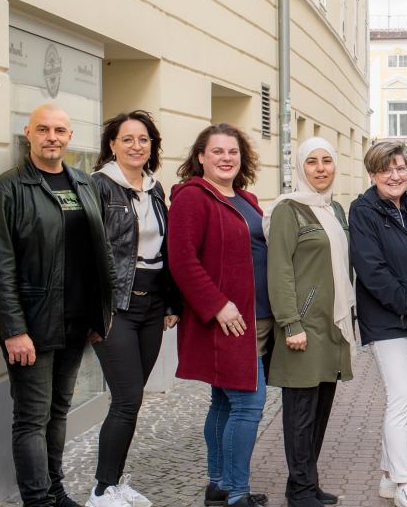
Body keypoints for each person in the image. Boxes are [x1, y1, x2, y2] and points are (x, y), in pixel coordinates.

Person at [0, 103, 114, 507]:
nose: (52, 137)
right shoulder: (6, 190)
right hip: (32, 327)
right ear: (29, 134)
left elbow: (99, 254)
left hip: (74, 323)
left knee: (58, 411)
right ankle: (37, 500)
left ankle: (55, 491)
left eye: (59, 130)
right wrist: (14, 330)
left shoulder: (84, 185)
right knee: (32, 418)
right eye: (43, 129)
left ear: (71, 137)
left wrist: (98, 314)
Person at [168, 124, 269, 507]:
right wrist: (217, 305)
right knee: (248, 404)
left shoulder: (245, 198)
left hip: (252, 319)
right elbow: (181, 260)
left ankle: (219, 485)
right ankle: (236, 492)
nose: (226, 158)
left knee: (224, 403)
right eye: (217, 151)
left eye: (233, 152)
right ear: (201, 157)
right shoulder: (193, 198)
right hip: (225, 320)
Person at [85, 111, 182, 507]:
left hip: (152, 303)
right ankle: (101, 490)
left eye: (143, 140)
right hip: (115, 306)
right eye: (127, 139)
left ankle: (114, 483)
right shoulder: (98, 187)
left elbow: (167, 249)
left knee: (132, 397)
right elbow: (83, 253)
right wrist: (93, 311)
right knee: (127, 399)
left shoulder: (156, 190)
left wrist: (171, 302)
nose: (136, 146)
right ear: (112, 144)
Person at [349, 141, 407, 507]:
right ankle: (405, 481)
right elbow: (371, 269)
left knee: (406, 396)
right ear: (373, 174)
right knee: (401, 396)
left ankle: (390, 477)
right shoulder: (364, 210)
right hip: (388, 317)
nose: (395, 175)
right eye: (386, 169)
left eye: (400, 167)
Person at [266, 137, 354, 507]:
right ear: (301, 167)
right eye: (312, 162)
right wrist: (290, 322)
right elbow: (280, 269)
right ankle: (300, 490)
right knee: (300, 413)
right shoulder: (289, 209)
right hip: (302, 325)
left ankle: (306, 482)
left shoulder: (334, 209)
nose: (321, 168)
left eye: (327, 161)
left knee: (320, 409)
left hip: (331, 326)